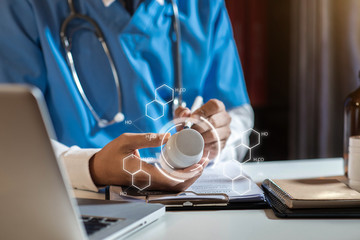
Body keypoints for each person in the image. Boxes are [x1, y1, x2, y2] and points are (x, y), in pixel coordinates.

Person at [0, 0, 253, 192]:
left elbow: (236, 112)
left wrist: (217, 138)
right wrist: (92, 168)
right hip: (76, 199)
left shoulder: (203, 5)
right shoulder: (24, 7)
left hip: (184, 201)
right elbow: (12, 138)